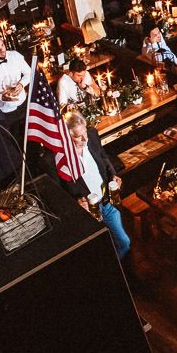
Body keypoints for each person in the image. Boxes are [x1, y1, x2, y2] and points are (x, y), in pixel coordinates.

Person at [61, 111, 131, 261]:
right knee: (99, 250)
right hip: (89, 211)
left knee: (124, 242)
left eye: (84, 131)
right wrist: (75, 204)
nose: (84, 138)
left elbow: (104, 158)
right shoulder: (60, 159)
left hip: (107, 202)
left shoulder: (91, 136)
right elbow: (59, 193)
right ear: (67, 137)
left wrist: (114, 176)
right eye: (78, 136)